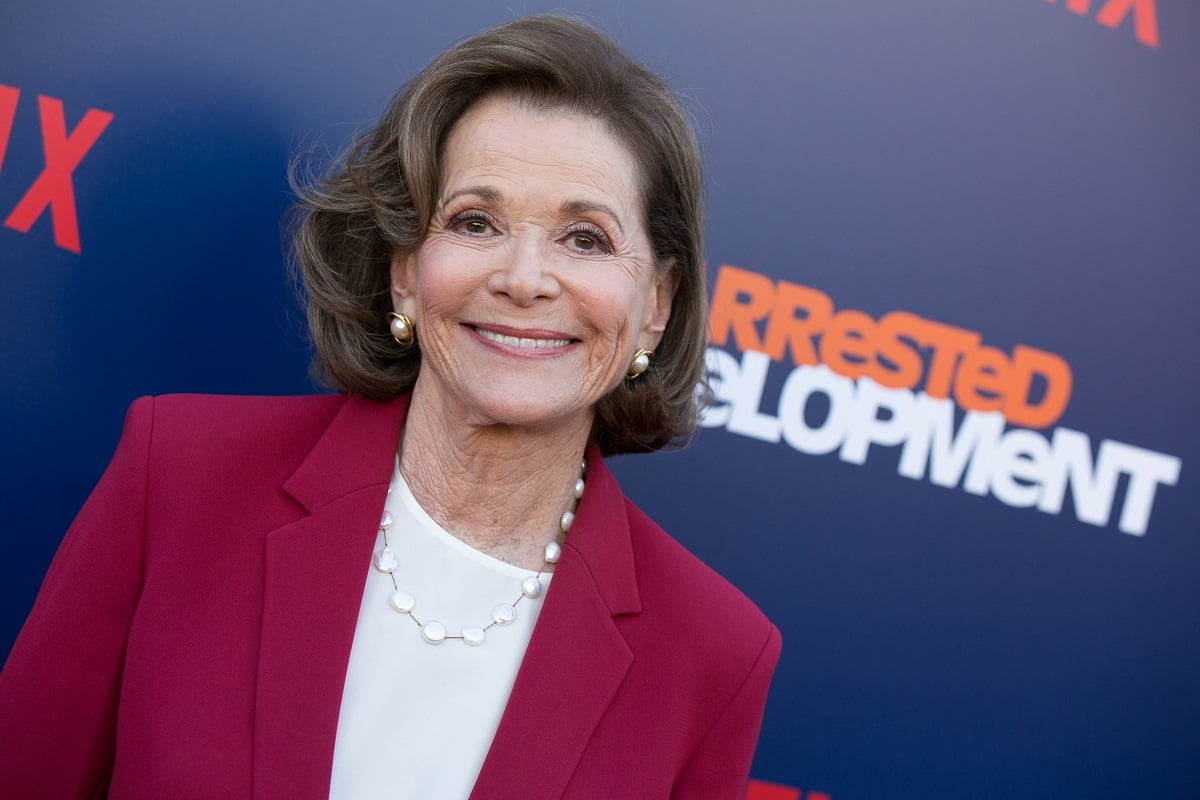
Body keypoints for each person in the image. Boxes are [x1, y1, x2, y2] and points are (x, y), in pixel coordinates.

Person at [0, 15, 781, 799]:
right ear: (406, 270)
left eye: (585, 239)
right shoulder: (178, 474)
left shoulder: (714, 653)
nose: (524, 278)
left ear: (657, 304)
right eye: (476, 222)